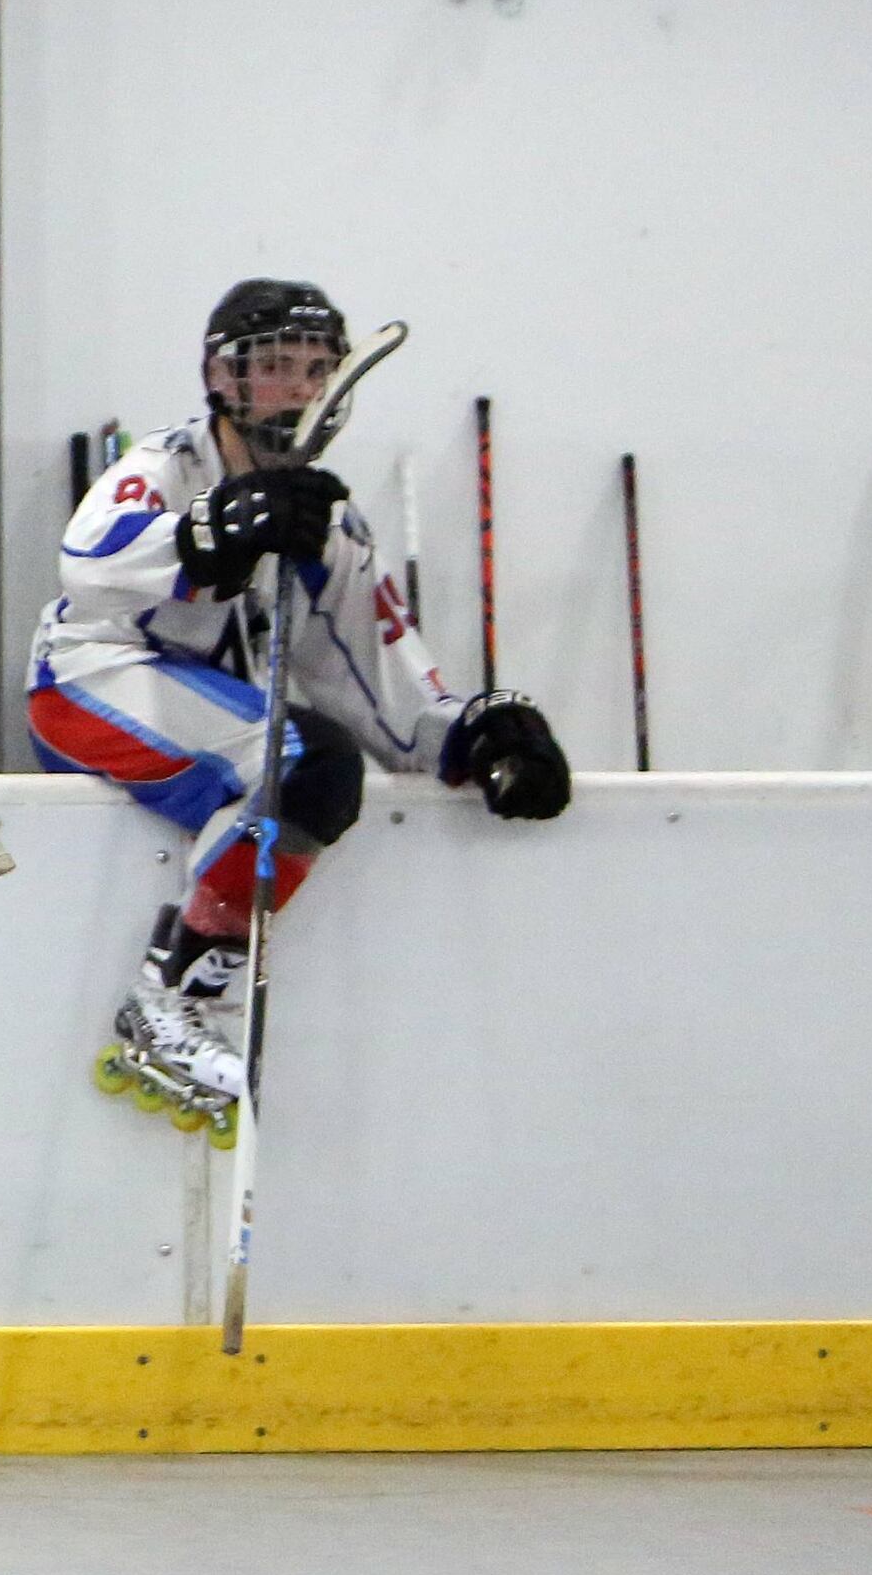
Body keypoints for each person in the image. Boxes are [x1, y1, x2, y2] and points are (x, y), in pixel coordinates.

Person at [32, 279, 569, 1124]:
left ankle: (193, 986)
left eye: (316, 370)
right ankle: (170, 995)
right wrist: (218, 531)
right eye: (275, 365)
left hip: (222, 712)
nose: (298, 388)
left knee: (320, 769)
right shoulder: (165, 467)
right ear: (222, 375)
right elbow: (90, 564)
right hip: (92, 684)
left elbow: (384, 683)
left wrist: (475, 730)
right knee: (305, 757)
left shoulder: (327, 519)